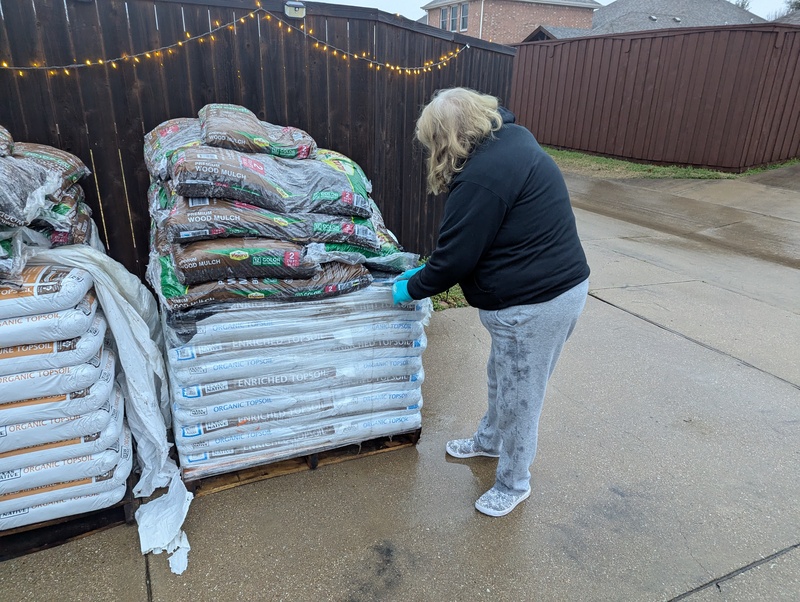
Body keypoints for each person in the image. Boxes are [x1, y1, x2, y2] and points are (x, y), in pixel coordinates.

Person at [392, 87, 590, 517]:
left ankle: (514, 481)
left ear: (448, 137)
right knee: (503, 375)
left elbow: (456, 259)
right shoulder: (512, 139)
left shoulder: (483, 176)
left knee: (521, 393)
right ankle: (488, 443)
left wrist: (412, 287)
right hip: (543, 290)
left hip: (538, 301)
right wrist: (426, 271)